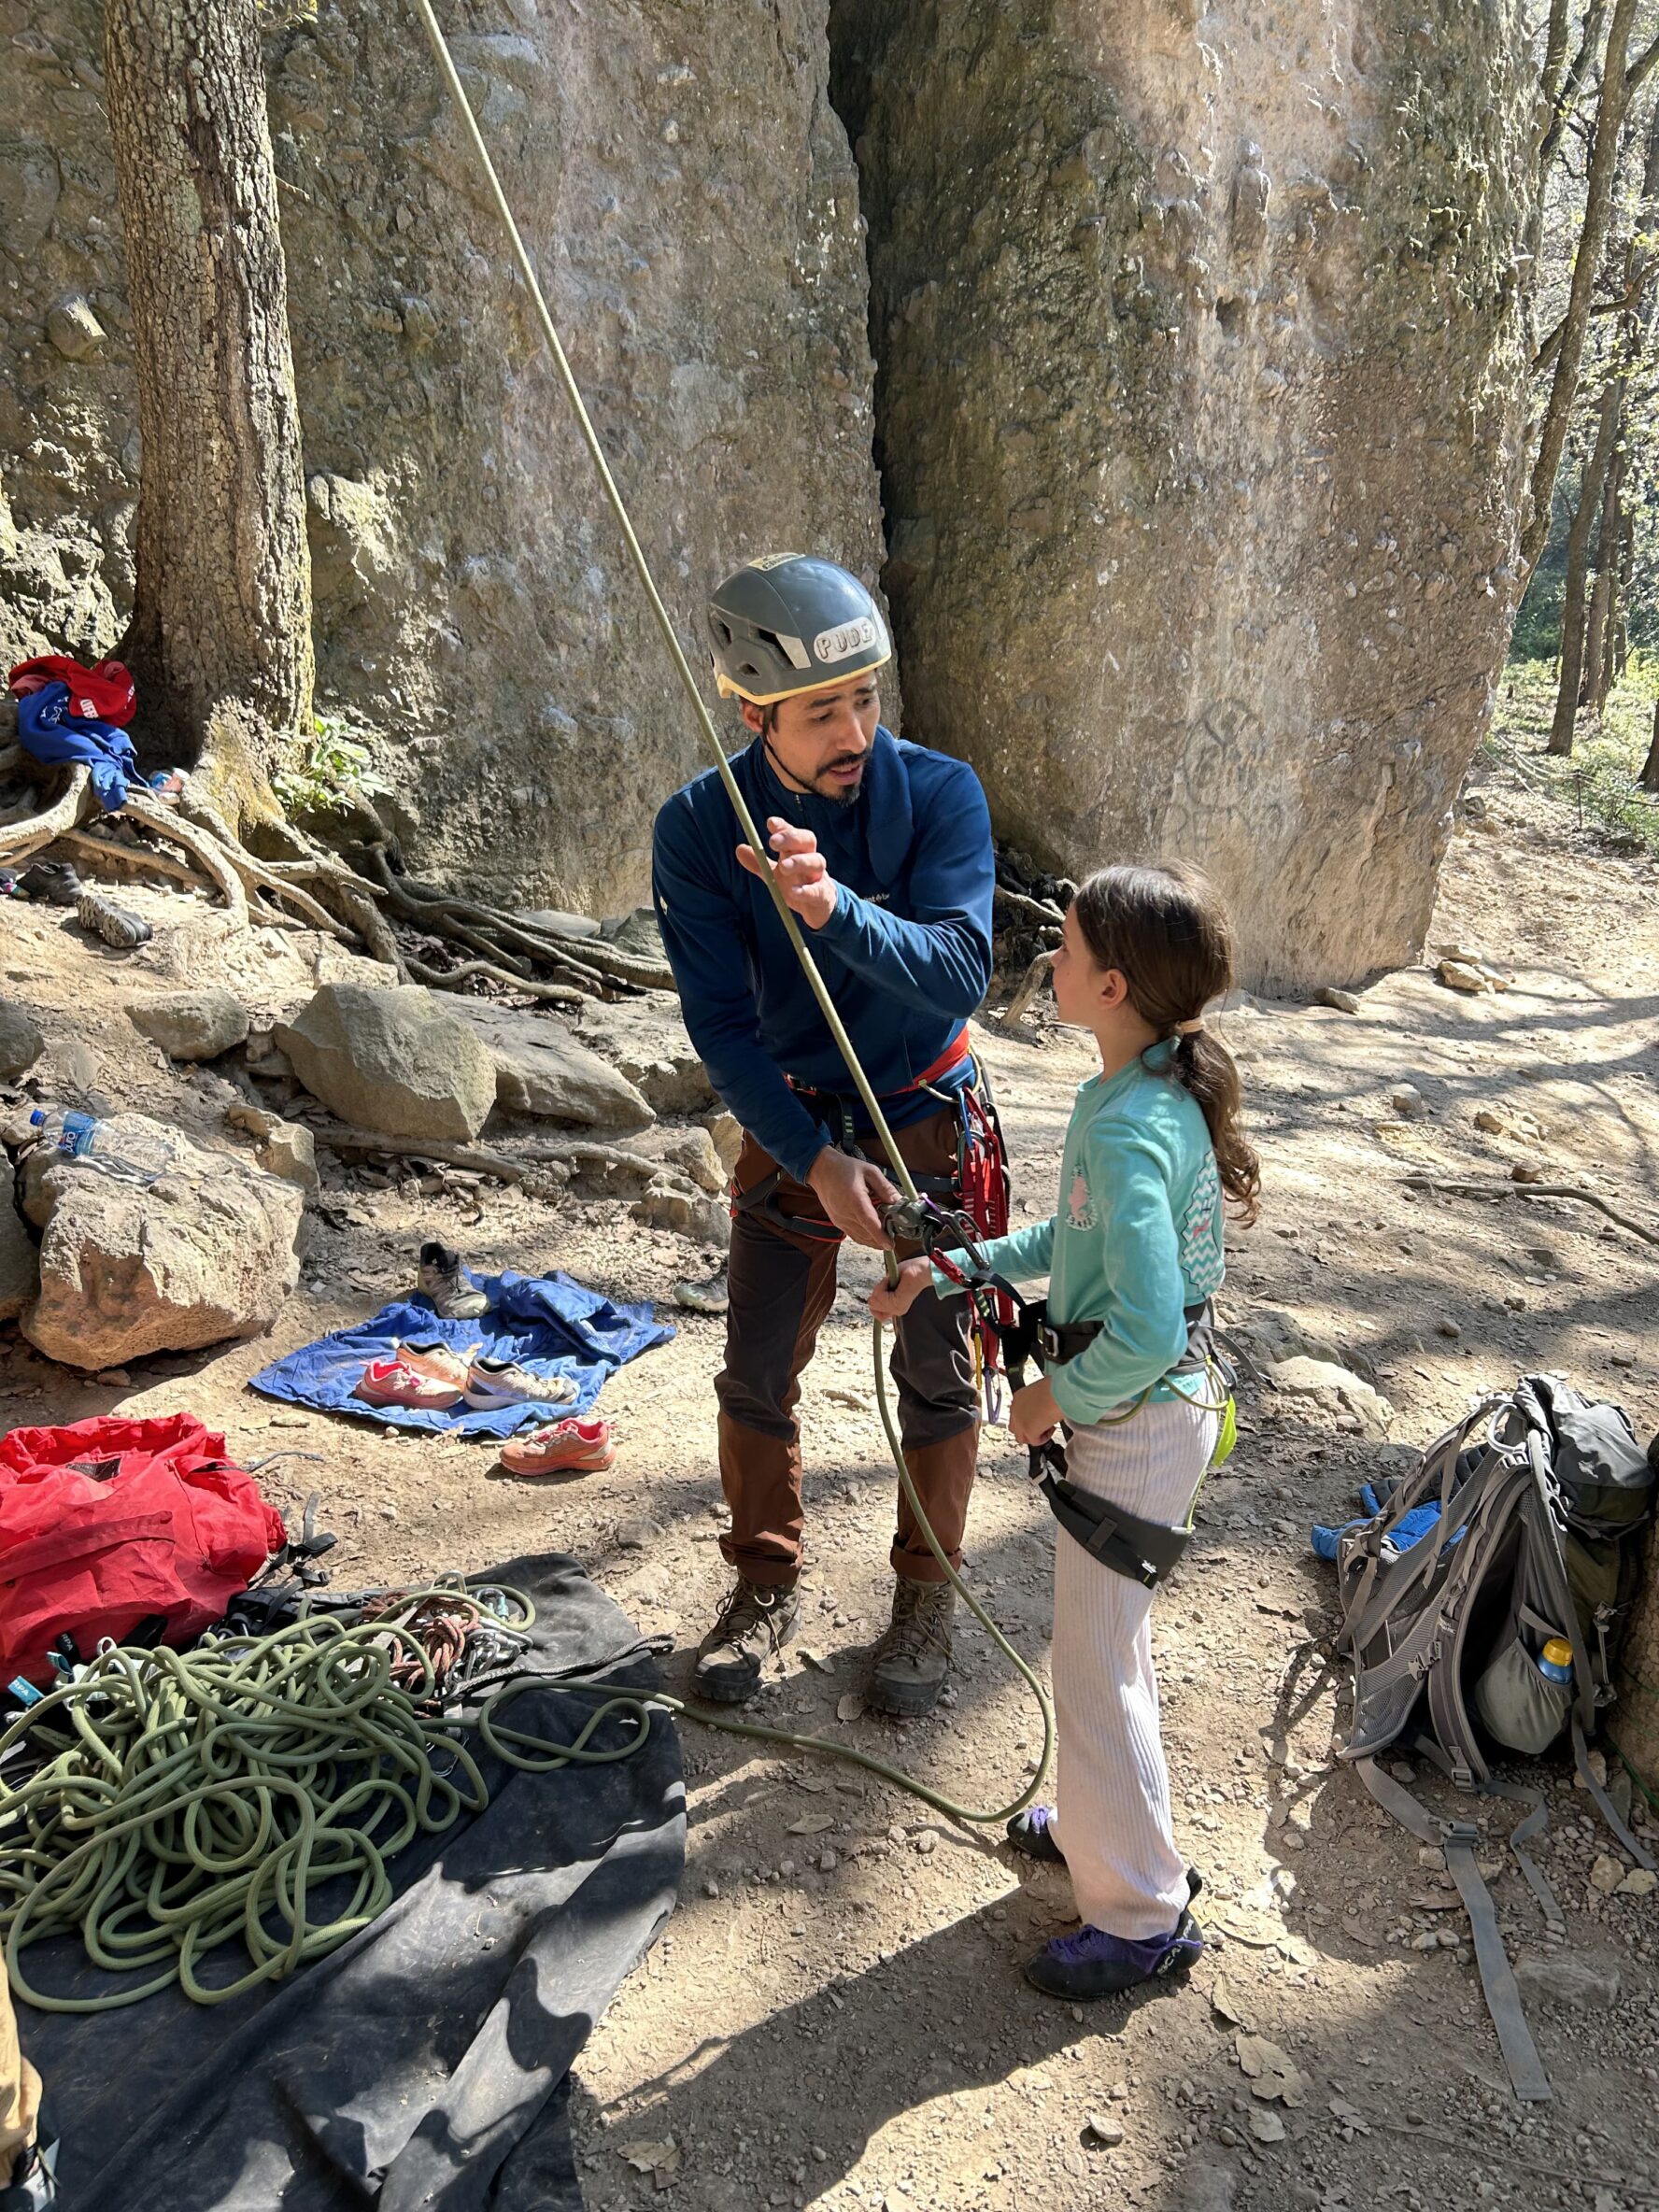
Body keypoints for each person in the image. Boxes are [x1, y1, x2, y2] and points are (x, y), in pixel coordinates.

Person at [872, 861, 1260, 1997]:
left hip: (1138, 1418)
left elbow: (1137, 1326)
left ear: (1112, 985)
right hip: (1147, 1415)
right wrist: (950, 1267)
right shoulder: (1137, 1088)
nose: (1051, 960)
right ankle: (1102, 1833)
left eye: (1070, 947)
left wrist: (1052, 1400)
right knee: (1105, 1650)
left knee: (1095, 1668)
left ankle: (1140, 1915)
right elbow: (1072, 1237)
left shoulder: (1138, 1122)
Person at [652, 554, 998, 1716]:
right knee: (755, 1365)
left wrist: (834, 911)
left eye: (867, 698)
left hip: (927, 1114)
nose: (855, 730)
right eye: (821, 711)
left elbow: (960, 971)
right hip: (797, 1115)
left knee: (937, 1372)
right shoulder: (701, 830)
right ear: (753, 715)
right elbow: (721, 1024)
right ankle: (762, 1580)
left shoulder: (942, 795)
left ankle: (928, 1592)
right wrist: (810, 1156)